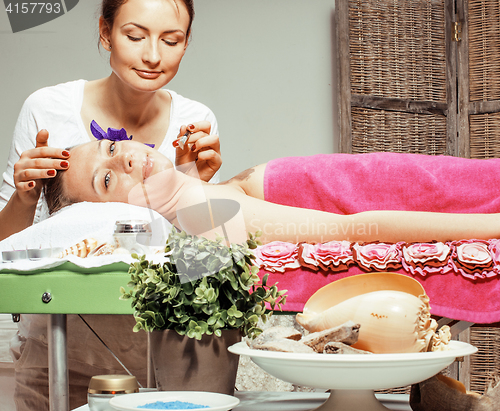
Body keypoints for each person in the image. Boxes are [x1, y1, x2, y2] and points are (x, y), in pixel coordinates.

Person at [0, 0, 221, 411]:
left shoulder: (196, 123)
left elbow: (197, 257)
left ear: (186, 42)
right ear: (105, 32)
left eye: (171, 40)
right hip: (55, 350)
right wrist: (25, 200)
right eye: (135, 36)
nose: (153, 55)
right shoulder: (47, 110)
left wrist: (196, 184)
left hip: (157, 355)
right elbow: (5, 250)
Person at [43, 137, 500, 246]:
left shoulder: (191, 195)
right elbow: (358, 228)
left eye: (108, 145)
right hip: (455, 197)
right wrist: (491, 227)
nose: (122, 158)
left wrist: (188, 173)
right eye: (107, 180)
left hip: (433, 179)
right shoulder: (198, 216)